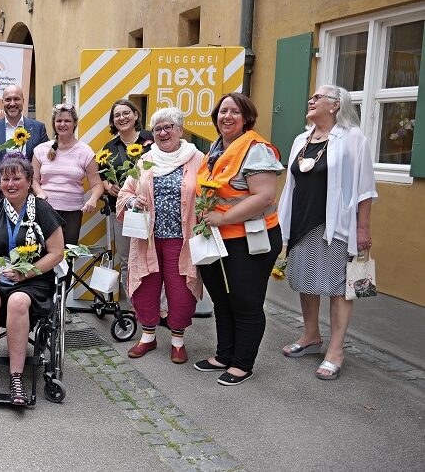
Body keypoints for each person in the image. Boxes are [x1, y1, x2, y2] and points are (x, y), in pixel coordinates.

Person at [277, 85, 377, 380]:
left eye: (317, 97)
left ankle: (336, 349)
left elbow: (365, 187)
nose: (311, 100)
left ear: (335, 105)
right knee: (306, 282)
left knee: (338, 288)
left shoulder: (353, 138)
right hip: (302, 222)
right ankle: (311, 336)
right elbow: (292, 184)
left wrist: (363, 227)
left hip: (336, 225)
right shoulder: (300, 140)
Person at [194, 92, 284, 386]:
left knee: (246, 301)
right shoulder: (217, 149)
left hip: (250, 238)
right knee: (221, 298)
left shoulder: (256, 149)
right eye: (222, 112)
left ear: (246, 117)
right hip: (218, 238)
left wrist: (223, 218)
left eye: (234, 111)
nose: (226, 116)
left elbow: (265, 196)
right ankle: (224, 354)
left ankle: (242, 363)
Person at [0, 155, 65, 406]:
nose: (10, 183)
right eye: (5, 178)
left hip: (32, 281)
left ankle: (16, 376)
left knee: (18, 302)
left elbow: (56, 252)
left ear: (29, 181)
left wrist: (27, 272)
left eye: (17, 178)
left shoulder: (42, 210)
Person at [116, 107, 204, 363]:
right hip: (148, 237)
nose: (163, 133)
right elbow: (125, 193)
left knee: (181, 290)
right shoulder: (145, 160)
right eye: (157, 129)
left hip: (182, 239)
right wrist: (134, 202)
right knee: (146, 286)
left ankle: (178, 340)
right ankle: (147, 337)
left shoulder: (197, 159)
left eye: (168, 127)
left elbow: (209, 193)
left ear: (180, 130)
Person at [31, 103, 103, 289]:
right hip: (46, 211)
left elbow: (97, 184)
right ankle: (43, 297)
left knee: (66, 255)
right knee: (42, 253)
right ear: (53, 123)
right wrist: (39, 193)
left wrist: (93, 199)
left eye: (67, 121)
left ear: (74, 123)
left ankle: (62, 301)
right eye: (59, 120)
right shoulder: (41, 150)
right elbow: (33, 180)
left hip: (72, 213)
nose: (63, 124)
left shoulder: (85, 152)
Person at [100, 100, 154, 302]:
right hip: (121, 211)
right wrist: (108, 187)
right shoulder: (110, 148)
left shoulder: (151, 140)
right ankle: (134, 303)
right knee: (126, 259)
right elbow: (102, 175)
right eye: (117, 115)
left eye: (126, 113)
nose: (122, 118)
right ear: (113, 121)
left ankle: (156, 304)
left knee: (152, 257)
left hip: (151, 209)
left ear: (135, 115)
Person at [0, 84, 49, 180]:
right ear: (2, 102)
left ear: (23, 101)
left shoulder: (38, 128)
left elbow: (47, 160)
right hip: (0, 190)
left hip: (30, 188)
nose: (12, 103)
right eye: (8, 100)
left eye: (16, 99)